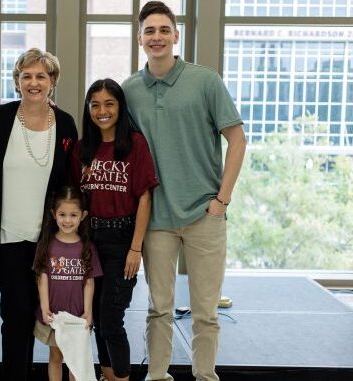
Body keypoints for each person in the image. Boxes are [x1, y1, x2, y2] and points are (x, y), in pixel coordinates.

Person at [122, 2, 247, 381]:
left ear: (176, 36)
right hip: (157, 219)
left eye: (164, 30)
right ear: (140, 38)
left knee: (206, 311)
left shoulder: (205, 81)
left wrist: (221, 200)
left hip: (203, 215)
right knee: (159, 308)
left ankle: (205, 375)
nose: (157, 37)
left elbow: (237, 140)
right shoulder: (129, 90)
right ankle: (156, 375)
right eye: (149, 31)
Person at [0, 48, 78, 380]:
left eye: (41, 76)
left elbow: (71, 182)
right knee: (17, 315)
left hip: (49, 242)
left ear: (52, 81)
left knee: (51, 318)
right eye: (27, 76)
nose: (34, 82)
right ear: (17, 81)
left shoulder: (65, 124)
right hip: (8, 238)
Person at [71, 79, 158, 381]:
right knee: (94, 318)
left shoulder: (134, 144)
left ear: (120, 106)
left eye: (109, 103)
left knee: (111, 321)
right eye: (95, 104)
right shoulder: (83, 150)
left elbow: (145, 197)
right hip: (88, 242)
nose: (102, 111)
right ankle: (108, 376)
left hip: (122, 242)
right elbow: (74, 200)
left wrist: (136, 248)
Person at [32, 185, 103, 381]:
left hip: (77, 318)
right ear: (54, 214)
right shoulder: (47, 244)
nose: (67, 220)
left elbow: (89, 282)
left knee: (75, 360)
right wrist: (45, 307)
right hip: (54, 316)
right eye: (62, 214)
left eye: (73, 215)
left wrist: (88, 312)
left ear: (83, 215)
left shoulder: (87, 247)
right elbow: (42, 276)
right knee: (56, 356)